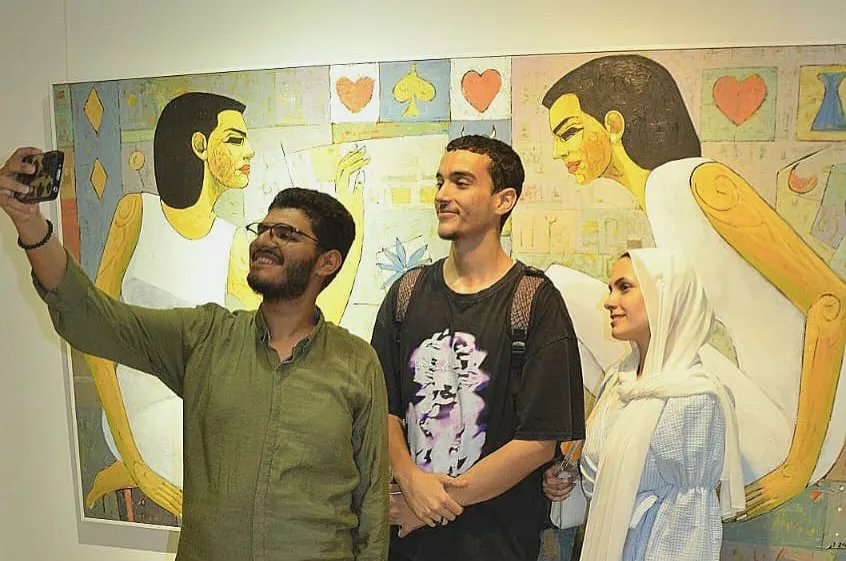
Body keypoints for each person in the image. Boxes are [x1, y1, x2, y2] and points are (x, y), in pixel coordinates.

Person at [0, 147, 389, 561]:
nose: (264, 241)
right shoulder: (205, 337)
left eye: (286, 234)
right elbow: (93, 319)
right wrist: (30, 223)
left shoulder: (356, 363)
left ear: (328, 261)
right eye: (263, 229)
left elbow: (373, 506)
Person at [539, 54, 846, 519]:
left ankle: (584, 475)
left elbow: (831, 301)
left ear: (614, 124)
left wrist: (796, 467)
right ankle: (582, 465)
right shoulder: (661, 196)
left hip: (789, 431)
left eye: (569, 132)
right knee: (619, 331)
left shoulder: (696, 180)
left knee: (562, 287)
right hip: (744, 414)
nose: (558, 152)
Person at [83, 91, 370, 516]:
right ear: (200, 145)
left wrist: (353, 219)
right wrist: (137, 465)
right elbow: (95, 336)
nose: (249, 151)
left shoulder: (231, 244)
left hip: (198, 410)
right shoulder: (137, 213)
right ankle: (126, 471)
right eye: (235, 139)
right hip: (142, 415)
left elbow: (304, 322)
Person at [370, 135, 585, 561]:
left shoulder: (534, 300)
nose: (442, 195)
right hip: (406, 543)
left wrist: (433, 504)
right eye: (440, 182)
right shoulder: (407, 293)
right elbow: (381, 405)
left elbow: (538, 440)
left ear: (503, 200)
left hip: (496, 542)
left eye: (461, 182)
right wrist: (410, 479)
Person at [561, 248, 744, 560]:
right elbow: (605, 477)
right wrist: (568, 478)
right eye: (611, 288)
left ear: (665, 296)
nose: (609, 301)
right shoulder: (618, 384)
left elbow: (690, 529)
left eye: (625, 287)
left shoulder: (694, 398)